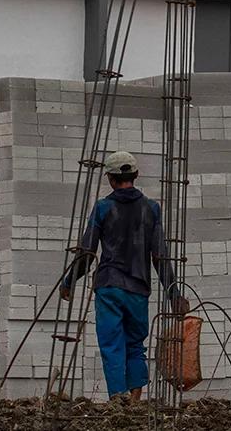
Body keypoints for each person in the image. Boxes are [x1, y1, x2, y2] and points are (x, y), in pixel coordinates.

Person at [60, 150, 188, 401]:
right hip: (138, 290)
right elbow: (160, 257)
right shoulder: (152, 209)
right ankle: (134, 401)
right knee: (135, 345)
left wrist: (68, 282)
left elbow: (87, 255)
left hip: (109, 287)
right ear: (136, 175)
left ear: (110, 178)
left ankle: (118, 398)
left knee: (112, 345)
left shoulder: (103, 207)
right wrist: (175, 295)